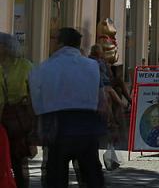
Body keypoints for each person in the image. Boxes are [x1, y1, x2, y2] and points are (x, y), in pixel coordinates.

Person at [29, 27, 108, 188]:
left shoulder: (44, 68)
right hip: (88, 128)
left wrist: (36, 127)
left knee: (56, 176)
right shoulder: (92, 66)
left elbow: (35, 99)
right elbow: (102, 101)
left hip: (57, 129)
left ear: (60, 43)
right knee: (91, 176)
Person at [0, 32, 34, 188]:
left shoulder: (24, 65)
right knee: (11, 158)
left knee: (16, 156)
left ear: (6, 48)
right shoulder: (24, 65)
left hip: (12, 120)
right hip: (12, 119)